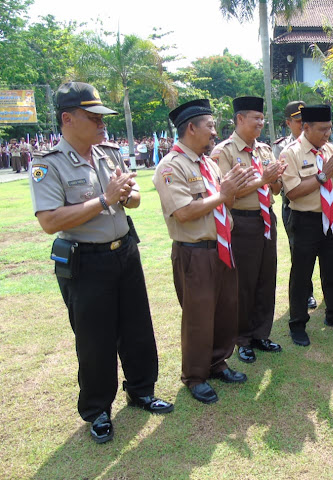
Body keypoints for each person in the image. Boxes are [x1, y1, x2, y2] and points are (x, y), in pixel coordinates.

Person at [29, 81, 173, 444]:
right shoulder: (48, 165)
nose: (101, 124)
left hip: (125, 250)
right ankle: (98, 410)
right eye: (93, 117)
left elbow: (135, 196)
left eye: (102, 117)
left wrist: (127, 195)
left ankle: (141, 391)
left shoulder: (108, 153)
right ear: (67, 119)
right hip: (86, 262)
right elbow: (50, 222)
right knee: (95, 340)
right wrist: (106, 200)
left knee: (138, 327)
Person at [153, 99, 254, 405]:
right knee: (198, 316)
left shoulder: (208, 164)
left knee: (226, 309)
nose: (214, 132)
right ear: (191, 127)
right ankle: (195, 376)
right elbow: (183, 212)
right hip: (194, 252)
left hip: (222, 245)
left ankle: (218, 362)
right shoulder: (171, 166)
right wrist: (223, 194)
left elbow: (225, 203)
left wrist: (231, 192)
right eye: (209, 125)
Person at [211, 96, 286, 364]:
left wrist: (275, 179)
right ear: (240, 119)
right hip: (241, 222)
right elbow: (226, 195)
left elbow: (275, 187)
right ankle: (241, 338)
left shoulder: (265, 150)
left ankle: (260, 334)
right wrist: (262, 181)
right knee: (243, 283)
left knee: (267, 278)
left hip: (266, 217)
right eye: (255, 118)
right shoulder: (225, 152)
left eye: (262, 118)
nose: (260, 122)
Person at [280, 104, 333, 347]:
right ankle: (298, 324)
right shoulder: (290, 153)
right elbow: (292, 192)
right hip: (305, 220)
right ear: (306, 127)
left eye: (329, 129)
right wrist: (321, 176)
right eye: (322, 130)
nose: (327, 135)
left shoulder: (330, 149)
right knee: (301, 275)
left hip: (331, 217)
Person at [273, 101, 318, 310]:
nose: (303, 125)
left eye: (305, 120)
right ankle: (306, 293)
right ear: (288, 123)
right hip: (293, 206)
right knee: (299, 253)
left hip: (318, 205)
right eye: (299, 121)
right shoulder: (281, 147)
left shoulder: (318, 142)